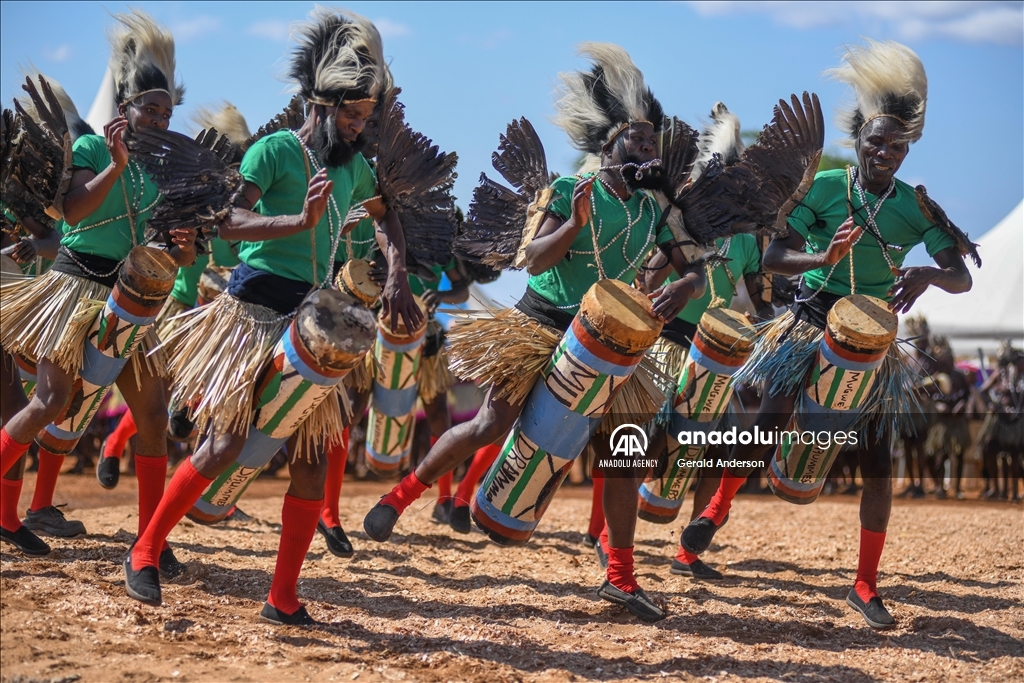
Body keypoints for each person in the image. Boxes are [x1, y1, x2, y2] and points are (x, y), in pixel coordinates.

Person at [363, 43, 705, 623]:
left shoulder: (655, 210)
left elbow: (694, 267)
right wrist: (574, 224)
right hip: (543, 325)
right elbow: (536, 260)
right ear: (609, 142)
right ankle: (400, 497)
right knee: (491, 423)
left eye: (653, 142)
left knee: (626, 449)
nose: (648, 150)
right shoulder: (572, 190)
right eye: (638, 140)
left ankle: (620, 577)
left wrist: (685, 288)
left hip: (614, 340)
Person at [123, 8, 422, 626]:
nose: (359, 127)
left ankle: (282, 597)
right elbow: (227, 221)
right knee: (226, 441)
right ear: (318, 104)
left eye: (366, 117)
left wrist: (396, 274)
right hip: (254, 310)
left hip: (315, 322)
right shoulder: (277, 150)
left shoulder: (357, 167)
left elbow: (387, 216)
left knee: (312, 458)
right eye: (350, 115)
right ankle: (145, 551)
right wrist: (298, 224)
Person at [679, 39, 976, 630]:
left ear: (906, 147)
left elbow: (962, 277)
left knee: (878, 460)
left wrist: (928, 274)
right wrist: (821, 254)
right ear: (860, 139)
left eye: (896, 144)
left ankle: (865, 585)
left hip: (873, 340)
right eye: (875, 142)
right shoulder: (824, 190)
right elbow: (773, 257)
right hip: (811, 319)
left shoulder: (916, 209)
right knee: (767, 421)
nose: (885, 152)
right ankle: (713, 512)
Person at [0, 12, 196, 568]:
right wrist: (115, 165)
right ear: (126, 108)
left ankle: (151, 539)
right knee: (51, 401)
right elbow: (72, 211)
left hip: (133, 300)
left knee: (154, 414)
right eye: (148, 109)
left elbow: (174, 252)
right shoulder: (89, 149)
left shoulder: (166, 174)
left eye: (165, 111)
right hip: (75, 286)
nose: (158, 119)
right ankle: (6, 512)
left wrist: (185, 248)